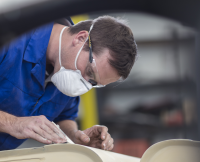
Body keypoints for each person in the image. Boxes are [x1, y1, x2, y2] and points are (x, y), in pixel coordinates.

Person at [0, 15, 137, 151]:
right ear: (80, 38)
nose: (83, 84)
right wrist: (14, 123)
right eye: (90, 71)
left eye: (93, 83)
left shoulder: (66, 69)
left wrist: (76, 137)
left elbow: (64, 116)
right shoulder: (10, 40)